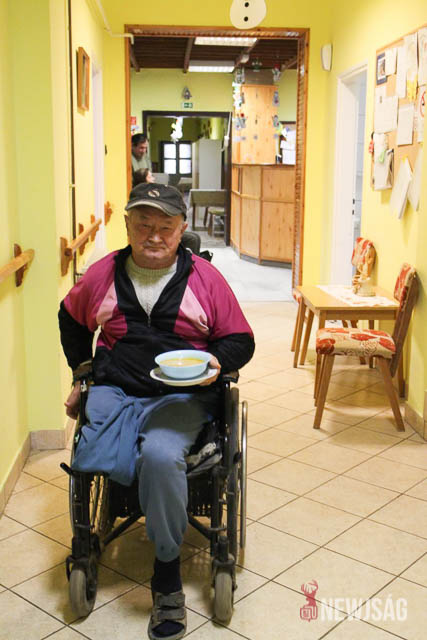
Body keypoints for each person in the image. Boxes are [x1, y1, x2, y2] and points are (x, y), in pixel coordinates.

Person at [58, 182, 255, 640]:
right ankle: (130, 496)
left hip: (181, 396)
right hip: (116, 388)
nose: (154, 235)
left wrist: (215, 361)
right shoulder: (103, 274)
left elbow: (240, 340)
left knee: (161, 455)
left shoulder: (205, 278)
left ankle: (166, 578)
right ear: (127, 226)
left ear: (182, 230)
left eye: (165, 227)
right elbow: (70, 317)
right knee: (92, 448)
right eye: (143, 224)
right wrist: (82, 371)